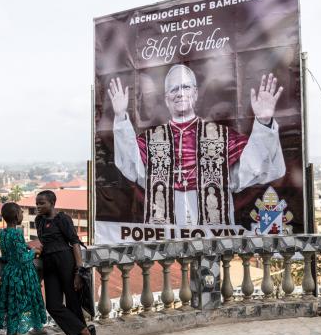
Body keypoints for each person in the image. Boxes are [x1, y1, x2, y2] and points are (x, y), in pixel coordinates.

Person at [108, 64, 286, 226]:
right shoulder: (151, 139)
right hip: (165, 234)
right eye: (174, 89)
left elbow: (249, 172)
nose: (180, 93)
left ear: (195, 93)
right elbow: (132, 168)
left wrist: (264, 122)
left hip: (210, 237)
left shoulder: (221, 136)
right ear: (166, 98)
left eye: (185, 87)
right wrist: (121, 117)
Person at [35, 190, 99, 335]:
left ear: (52, 203)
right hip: (49, 264)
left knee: (73, 302)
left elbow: (75, 243)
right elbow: (43, 243)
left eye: (42, 203)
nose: (38, 206)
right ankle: (85, 330)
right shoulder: (38, 221)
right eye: (37, 203)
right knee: (53, 305)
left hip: (66, 262)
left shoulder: (63, 219)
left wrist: (78, 271)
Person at [0, 202, 47, 335]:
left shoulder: (3, 233)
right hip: (19, 278)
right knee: (15, 315)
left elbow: (6, 256)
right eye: (21, 213)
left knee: (13, 314)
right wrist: (34, 251)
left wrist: (25, 247)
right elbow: (22, 259)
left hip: (9, 275)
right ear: (17, 216)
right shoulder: (16, 234)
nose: (22, 215)